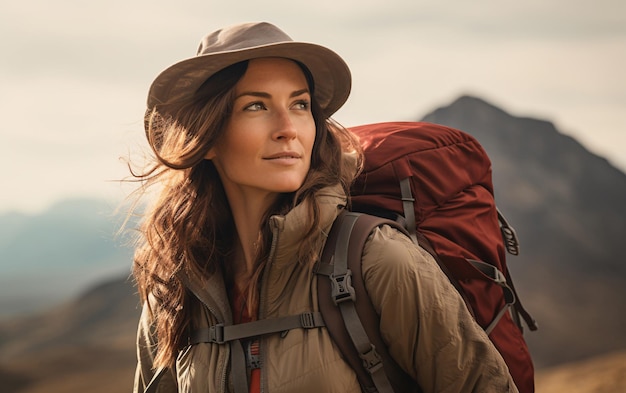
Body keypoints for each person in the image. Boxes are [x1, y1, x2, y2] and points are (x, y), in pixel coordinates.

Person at [131, 22, 519, 393]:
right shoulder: (174, 290)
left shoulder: (377, 259)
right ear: (207, 137)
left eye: (300, 104)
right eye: (256, 106)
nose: (289, 127)